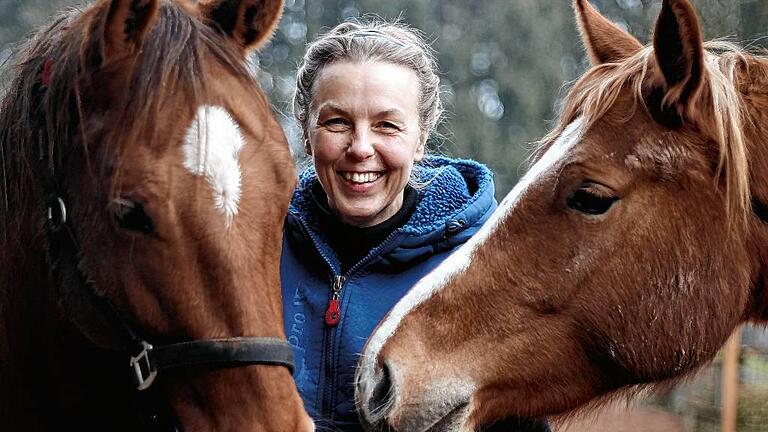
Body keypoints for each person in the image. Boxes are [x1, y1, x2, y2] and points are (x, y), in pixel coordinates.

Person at [281, 19, 549, 432]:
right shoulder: (261, 244)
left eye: (387, 125)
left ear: (421, 137)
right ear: (306, 131)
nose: (361, 148)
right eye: (337, 122)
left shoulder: (477, 268)